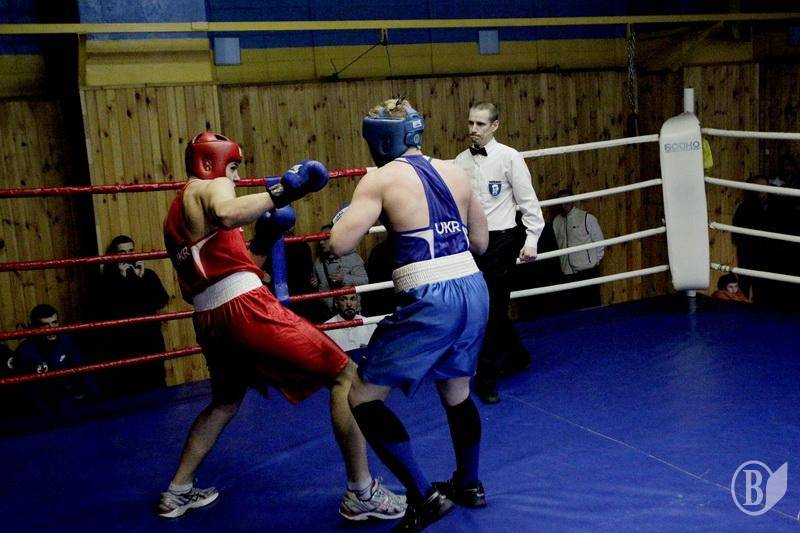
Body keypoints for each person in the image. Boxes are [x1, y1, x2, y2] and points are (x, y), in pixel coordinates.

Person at [159, 131, 405, 521]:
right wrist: (284, 191)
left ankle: (178, 491)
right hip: (244, 309)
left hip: (210, 318)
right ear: (211, 163)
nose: (236, 177)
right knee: (347, 376)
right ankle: (361, 492)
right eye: (234, 167)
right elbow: (227, 212)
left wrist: (263, 239)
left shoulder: (175, 214)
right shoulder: (210, 187)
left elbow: (230, 266)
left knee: (225, 401)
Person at [330, 97, 490, 532]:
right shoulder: (456, 171)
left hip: (430, 295)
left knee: (361, 396)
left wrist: (350, 213)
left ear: (380, 139)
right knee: (456, 390)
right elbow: (481, 243)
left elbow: (339, 245)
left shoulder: (380, 179)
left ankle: (424, 497)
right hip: (473, 287)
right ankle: (470, 484)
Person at [454, 101, 544, 404]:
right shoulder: (460, 161)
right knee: (481, 309)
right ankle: (517, 354)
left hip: (503, 241)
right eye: (471, 123)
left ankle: (487, 378)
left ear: (494, 126)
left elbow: (528, 202)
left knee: (491, 311)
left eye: (480, 124)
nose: (473, 129)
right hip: (472, 243)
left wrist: (531, 240)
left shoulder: (509, 157)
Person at [91, 235, 169, 395]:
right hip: (125, 342)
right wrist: (124, 280)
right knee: (131, 385)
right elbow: (114, 308)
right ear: (115, 255)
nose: (127, 255)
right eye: (122, 252)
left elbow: (161, 300)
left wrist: (141, 279)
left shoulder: (148, 275)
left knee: (157, 381)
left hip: (150, 338)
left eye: (130, 251)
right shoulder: (107, 280)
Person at [13, 304, 98, 413]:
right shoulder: (26, 351)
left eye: (54, 323)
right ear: (35, 326)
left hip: (65, 392)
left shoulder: (65, 340)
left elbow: (81, 368)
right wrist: (45, 414)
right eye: (45, 325)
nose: (51, 329)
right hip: (42, 399)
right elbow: (28, 389)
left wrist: (97, 397)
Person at [551, 188, 605, 310]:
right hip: (567, 274)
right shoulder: (556, 222)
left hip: (586, 271)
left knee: (591, 306)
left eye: (566, 200)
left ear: (572, 200)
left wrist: (594, 261)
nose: (564, 204)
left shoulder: (586, 217)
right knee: (572, 308)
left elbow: (600, 241)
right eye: (560, 201)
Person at [311, 223, 369, 314]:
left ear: (336, 238)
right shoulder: (318, 262)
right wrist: (315, 285)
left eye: (325, 238)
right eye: (320, 239)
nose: (321, 242)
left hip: (350, 311)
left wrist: (344, 278)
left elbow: (365, 281)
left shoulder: (352, 258)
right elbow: (319, 288)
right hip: (327, 313)